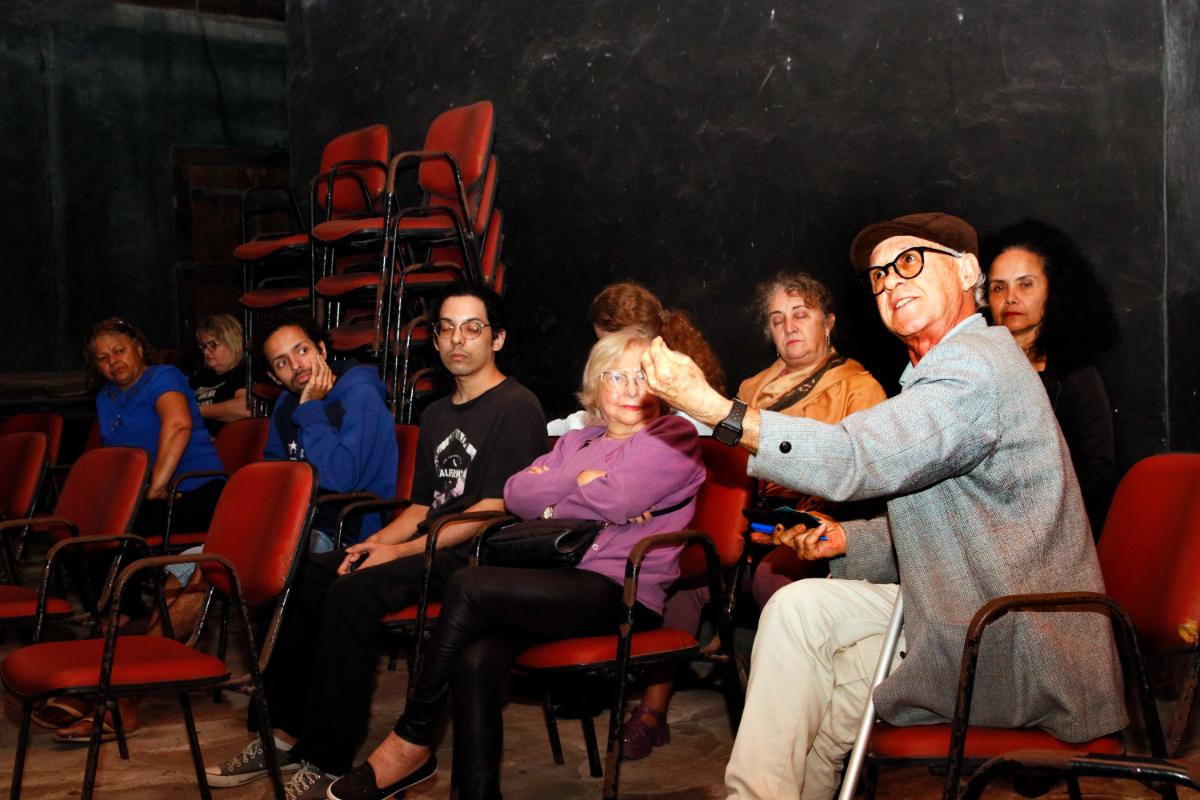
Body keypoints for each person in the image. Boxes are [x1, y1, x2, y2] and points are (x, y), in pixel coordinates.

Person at [640, 212, 1126, 799]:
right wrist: (849, 540)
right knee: (800, 614)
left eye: (910, 262)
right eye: (879, 275)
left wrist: (715, 410)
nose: (891, 280)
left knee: (825, 663)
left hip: (1015, 638)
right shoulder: (939, 373)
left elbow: (852, 457)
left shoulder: (976, 368)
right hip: (960, 607)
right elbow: (953, 517)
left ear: (967, 273)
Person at [325, 327, 707, 800]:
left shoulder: (673, 435)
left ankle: (412, 739)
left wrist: (561, 493)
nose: (631, 389)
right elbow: (516, 493)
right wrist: (583, 481)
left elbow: (619, 497)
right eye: (617, 376)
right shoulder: (577, 442)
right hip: (553, 585)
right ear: (596, 384)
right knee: (475, 659)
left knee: (468, 583)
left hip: (621, 594)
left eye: (643, 377)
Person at [204, 286, 547, 800]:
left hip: (477, 557)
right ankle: (283, 734)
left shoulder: (517, 406)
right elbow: (421, 507)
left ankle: (326, 757)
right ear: (436, 340)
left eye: (472, 328)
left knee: (352, 592)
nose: (458, 339)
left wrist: (396, 552)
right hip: (433, 544)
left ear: (496, 338)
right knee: (309, 575)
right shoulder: (437, 413)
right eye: (447, 328)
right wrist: (372, 545)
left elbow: (494, 510)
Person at [621, 273, 887, 761]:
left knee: (773, 578)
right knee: (687, 575)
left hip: (816, 526)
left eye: (801, 314)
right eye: (777, 319)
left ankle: (789, 724)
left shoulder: (860, 388)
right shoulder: (751, 387)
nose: (790, 326)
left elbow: (869, 481)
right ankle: (652, 711)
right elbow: (725, 472)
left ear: (828, 322)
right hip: (753, 524)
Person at [46, 318, 226, 741]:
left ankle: (118, 685)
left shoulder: (164, 377)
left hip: (193, 492)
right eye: (102, 358)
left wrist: (157, 487)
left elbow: (178, 426)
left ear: (139, 349)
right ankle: (110, 648)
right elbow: (120, 459)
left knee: (124, 541)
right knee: (84, 539)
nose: (112, 362)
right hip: (147, 501)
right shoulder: (106, 397)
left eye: (119, 350)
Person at [982, 219, 1117, 536]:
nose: (1010, 298)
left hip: (1054, 534)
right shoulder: (975, 371)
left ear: (1053, 292)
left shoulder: (1077, 378)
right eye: (998, 287)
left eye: (1025, 284)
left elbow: (1095, 474)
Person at [259, 312, 398, 552]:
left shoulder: (360, 394)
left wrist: (310, 409)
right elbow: (274, 477)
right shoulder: (285, 404)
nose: (296, 365)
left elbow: (341, 479)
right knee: (215, 551)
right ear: (274, 377)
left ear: (322, 350)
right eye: (282, 363)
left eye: (302, 351)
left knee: (269, 556)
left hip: (347, 534)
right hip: (297, 525)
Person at [547, 281, 725, 435]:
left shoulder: (684, 425)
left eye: (606, 347)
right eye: (617, 377)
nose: (631, 390)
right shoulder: (581, 428)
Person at [189, 313, 251, 437]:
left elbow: (245, 408)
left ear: (231, 342)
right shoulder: (201, 377)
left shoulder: (244, 371)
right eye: (203, 347)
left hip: (230, 442)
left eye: (212, 345)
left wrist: (194, 411)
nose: (206, 352)